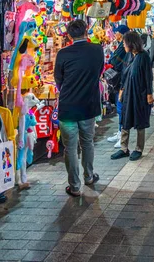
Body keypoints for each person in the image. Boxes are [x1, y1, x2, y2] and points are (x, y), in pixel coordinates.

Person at [54, 19, 104, 197]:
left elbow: (58, 81)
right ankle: (89, 177)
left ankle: (74, 186)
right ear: (86, 31)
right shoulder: (97, 50)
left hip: (68, 107)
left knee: (70, 148)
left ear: (68, 35)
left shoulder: (62, 54)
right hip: (88, 106)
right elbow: (99, 72)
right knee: (87, 143)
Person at [111, 32, 153, 161]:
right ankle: (124, 148)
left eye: (124, 43)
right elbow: (124, 73)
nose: (123, 45)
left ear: (131, 43)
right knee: (125, 119)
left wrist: (149, 94)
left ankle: (139, 149)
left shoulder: (144, 56)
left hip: (140, 93)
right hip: (128, 91)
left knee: (140, 120)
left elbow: (148, 76)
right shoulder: (129, 55)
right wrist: (122, 89)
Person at [106, 25, 132, 147]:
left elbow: (114, 61)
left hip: (122, 80)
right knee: (119, 106)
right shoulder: (122, 44)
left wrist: (112, 58)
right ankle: (120, 132)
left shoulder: (124, 46)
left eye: (116, 32)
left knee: (121, 106)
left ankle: (122, 135)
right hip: (121, 80)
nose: (114, 34)